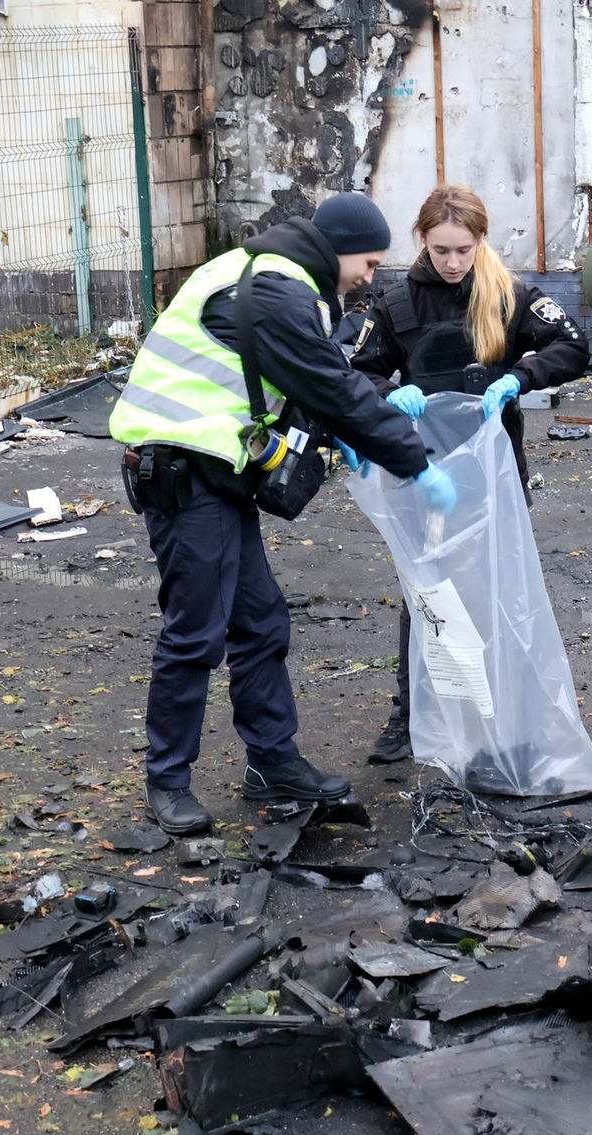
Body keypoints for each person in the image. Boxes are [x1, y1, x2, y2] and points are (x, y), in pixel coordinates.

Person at [110, 193, 457, 835]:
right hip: (184, 472)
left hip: (214, 474)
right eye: (370, 262)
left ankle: (272, 764)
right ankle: (167, 782)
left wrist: (334, 432)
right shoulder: (277, 288)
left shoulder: (270, 272)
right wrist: (413, 462)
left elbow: (288, 382)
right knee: (195, 633)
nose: (370, 278)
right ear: (341, 248)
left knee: (260, 622)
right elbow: (331, 383)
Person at [350, 184, 590, 763]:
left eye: (464, 249)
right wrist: (391, 392)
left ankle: (506, 711)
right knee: (426, 595)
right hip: (427, 474)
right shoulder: (396, 304)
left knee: (500, 591)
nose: (454, 262)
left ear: (480, 242)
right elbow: (354, 371)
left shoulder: (509, 295)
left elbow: (574, 343)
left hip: (495, 470)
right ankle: (412, 714)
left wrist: (522, 376)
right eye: (441, 251)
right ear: (422, 243)